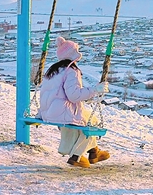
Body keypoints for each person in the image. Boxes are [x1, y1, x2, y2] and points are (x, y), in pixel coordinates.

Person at [39, 37, 110, 168]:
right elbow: (74, 96)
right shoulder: (71, 71)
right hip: (62, 112)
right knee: (92, 122)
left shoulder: (53, 70)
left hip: (48, 112)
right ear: (72, 54)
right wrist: (95, 90)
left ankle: (94, 152)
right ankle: (77, 156)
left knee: (80, 120)